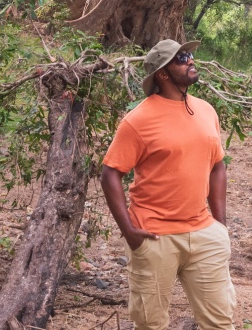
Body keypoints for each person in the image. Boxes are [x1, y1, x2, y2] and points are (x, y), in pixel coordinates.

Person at [100, 39, 235, 330]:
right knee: (151, 324)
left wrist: (220, 226)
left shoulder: (206, 111)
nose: (190, 60)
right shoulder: (138, 120)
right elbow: (110, 173)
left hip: (204, 235)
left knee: (220, 322)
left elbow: (218, 165)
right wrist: (130, 232)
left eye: (189, 55)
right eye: (181, 58)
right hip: (154, 237)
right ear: (162, 73)